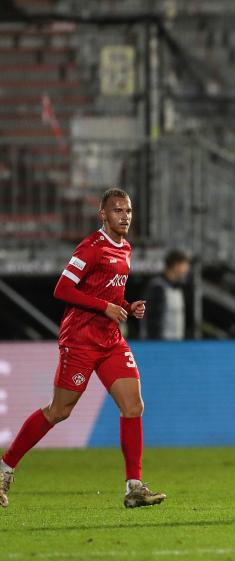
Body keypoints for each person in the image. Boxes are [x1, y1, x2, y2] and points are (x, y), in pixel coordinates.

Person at [0, 188, 166, 509]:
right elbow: (62, 288)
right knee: (59, 411)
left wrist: (128, 307)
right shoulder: (90, 248)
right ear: (103, 215)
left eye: (128, 210)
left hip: (110, 340)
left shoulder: (126, 248)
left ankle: (134, 487)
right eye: (117, 211)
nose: (125, 216)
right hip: (80, 339)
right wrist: (105, 307)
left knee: (133, 406)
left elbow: (110, 294)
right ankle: (5, 468)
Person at [143, 249, 190, 340]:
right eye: (185, 265)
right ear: (176, 265)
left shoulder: (178, 288)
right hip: (161, 348)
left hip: (175, 346)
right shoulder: (157, 287)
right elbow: (152, 322)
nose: (187, 269)